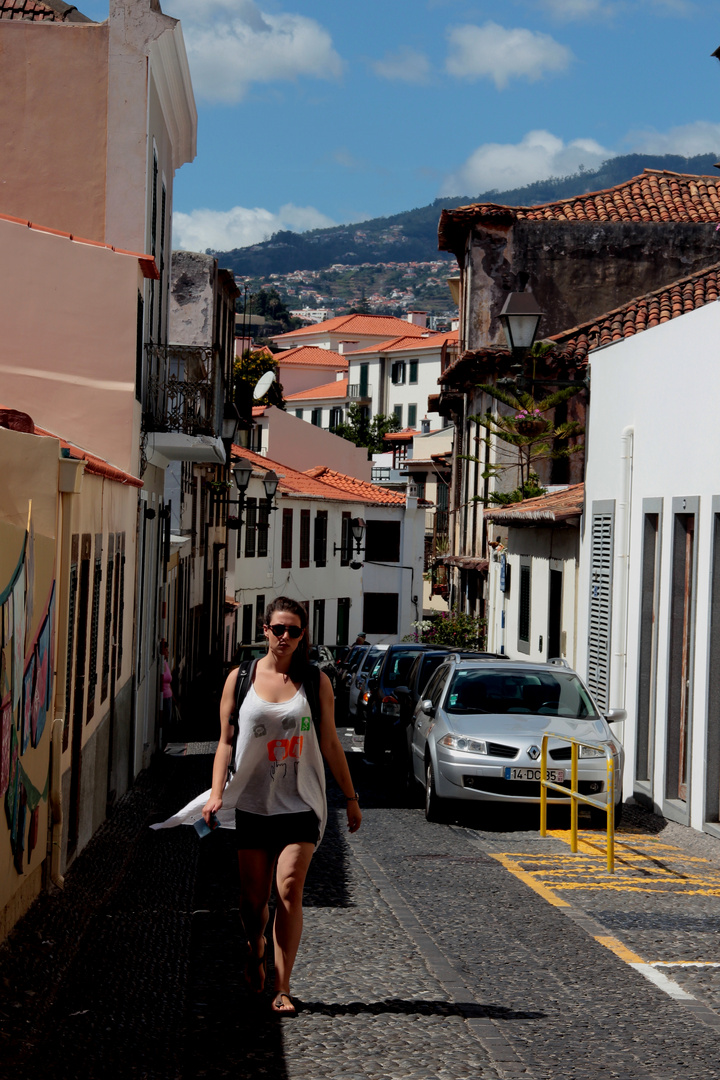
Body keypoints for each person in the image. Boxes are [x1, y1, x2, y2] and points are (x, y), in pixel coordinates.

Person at [202, 596, 362, 1016]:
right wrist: (218, 792)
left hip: (301, 803)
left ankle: (283, 986)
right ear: (265, 630)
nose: (285, 637)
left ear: (303, 634)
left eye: (294, 630)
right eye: (278, 629)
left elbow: (330, 743)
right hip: (254, 803)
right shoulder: (240, 680)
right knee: (252, 902)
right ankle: (254, 945)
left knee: (289, 890)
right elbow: (225, 743)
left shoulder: (315, 681)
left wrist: (350, 797)